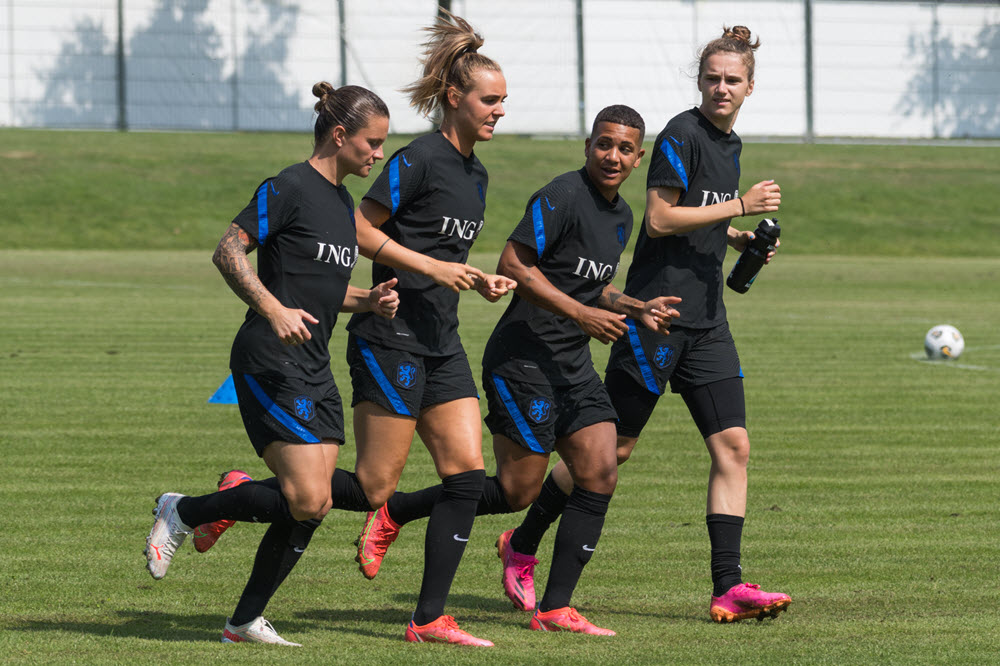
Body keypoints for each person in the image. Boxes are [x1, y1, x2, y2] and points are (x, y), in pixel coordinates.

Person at [499, 25, 792, 624]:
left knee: (734, 446)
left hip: (708, 320)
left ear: (750, 87)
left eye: (732, 80)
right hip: (657, 318)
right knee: (617, 450)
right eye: (711, 77)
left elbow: (694, 215)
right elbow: (659, 218)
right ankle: (521, 543)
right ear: (700, 81)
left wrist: (732, 235)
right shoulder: (681, 134)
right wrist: (740, 206)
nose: (720, 88)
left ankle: (728, 586)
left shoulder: (729, 142)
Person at [355, 105, 682, 636]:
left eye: (625, 149)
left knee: (601, 467)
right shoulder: (562, 195)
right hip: (523, 359)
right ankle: (397, 510)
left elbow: (589, 284)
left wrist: (632, 305)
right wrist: (580, 313)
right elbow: (513, 263)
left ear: (639, 158)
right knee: (516, 491)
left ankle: (555, 609)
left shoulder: (621, 216)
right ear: (587, 146)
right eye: (604, 144)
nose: (613, 156)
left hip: (571, 363)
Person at [143, 82, 398, 646]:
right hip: (268, 358)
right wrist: (272, 308)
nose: (378, 154)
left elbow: (322, 289)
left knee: (313, 505)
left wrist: (368, 302)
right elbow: (228, 250)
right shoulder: (289, 186)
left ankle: (244, 621)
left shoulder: (341, 202)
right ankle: (184, 510)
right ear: (340, 135)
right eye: (372, 143)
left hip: (313, 363)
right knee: (308, 496)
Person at [339, 11, 515, 647]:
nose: (499, 111)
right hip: (391, 336)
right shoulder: (419, 159)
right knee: (370, 486)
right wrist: (432, 267)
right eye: (489, 100)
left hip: (443, 341)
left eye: (503, 101)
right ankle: (229, 499)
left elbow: (447, 256)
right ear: (454, 99)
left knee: (467, 478)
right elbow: (360, 230)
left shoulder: (477, 174)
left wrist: (478, 278)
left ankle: (428, 618)